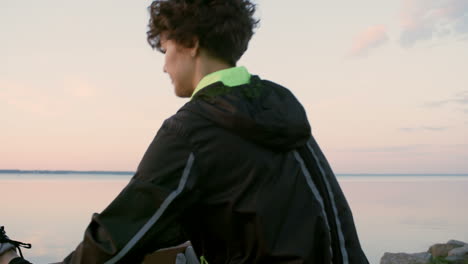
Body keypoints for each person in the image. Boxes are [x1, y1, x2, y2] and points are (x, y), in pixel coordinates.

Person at [0, 0, 370, 263]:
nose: (163, 66)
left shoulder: (192, 129)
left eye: (165, 49)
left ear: (190, 43)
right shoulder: (278, 105)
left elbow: (115, 242)